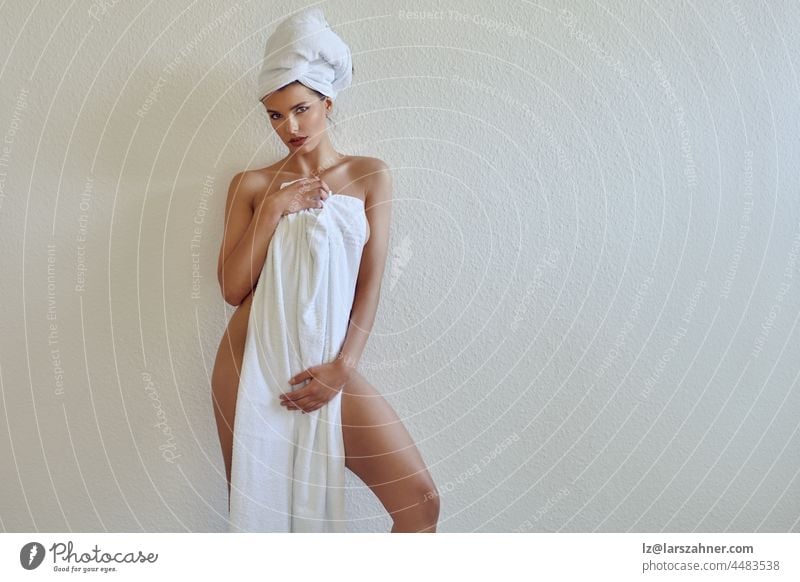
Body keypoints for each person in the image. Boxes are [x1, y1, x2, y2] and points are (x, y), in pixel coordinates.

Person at [211, 8, 439, 532]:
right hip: (252, 361)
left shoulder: (369, 175)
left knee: (420, 504)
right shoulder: (251, 186)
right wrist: (273, 210)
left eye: (301, 109)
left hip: (328, 361)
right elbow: (231, 288)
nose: (288, 127)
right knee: (263, 518)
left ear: (327, 101)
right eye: (273, 115)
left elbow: (370, 281)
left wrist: (343, 367)